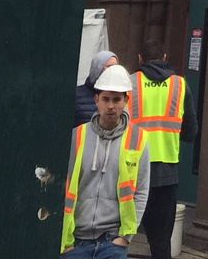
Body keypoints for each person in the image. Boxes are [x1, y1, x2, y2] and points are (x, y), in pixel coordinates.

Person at [61, 64, 150, 257]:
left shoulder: (138, 139)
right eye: (106, 99)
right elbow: (64, 186)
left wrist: (126, 237)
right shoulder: (77, 136)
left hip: (112, 242)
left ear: (126, 100)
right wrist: (67, 242)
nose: (111, 106)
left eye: (117, 99)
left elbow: (141, 192)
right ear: (96, 100)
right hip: (76, 242)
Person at [128, 52, 198, 259]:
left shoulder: (131, 82)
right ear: (166, 56)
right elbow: (191, 131)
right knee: (160, 242)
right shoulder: (179, 84)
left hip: (132, 170)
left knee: (120, 236)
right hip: (165, 174)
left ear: (140, 58)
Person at [75, 49, 120, 125]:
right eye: (109, 67)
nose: (113, 71)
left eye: (116, 67)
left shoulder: (120, 96)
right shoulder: (77, 95)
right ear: (97, 68)